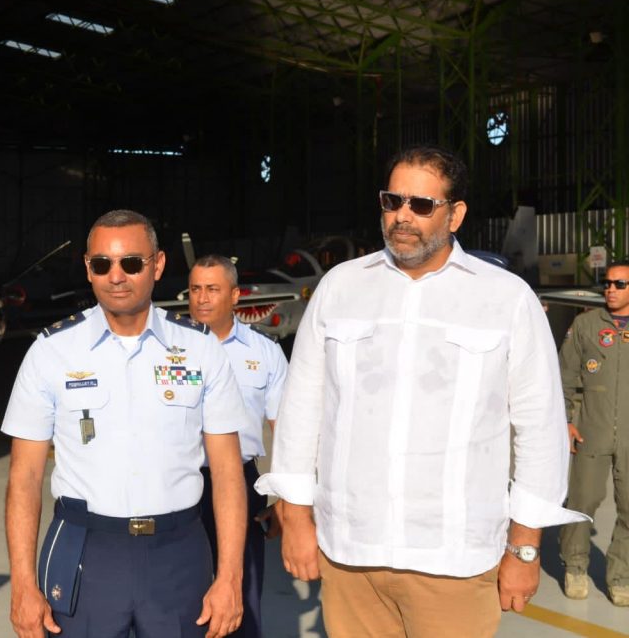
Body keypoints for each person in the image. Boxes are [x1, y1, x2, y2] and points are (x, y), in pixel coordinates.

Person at [256, 145, 588, 637]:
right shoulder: (340, 288)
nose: (402, 217)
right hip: (351, 554)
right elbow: (303, 408)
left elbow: (539, 430)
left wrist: (524, 547)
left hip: (454, 558)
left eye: (421, 205)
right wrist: (297, 518)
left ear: (455, 215)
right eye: (392, 202)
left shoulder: (505, 298)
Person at [3, 209, 250, 638]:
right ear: (88, 268)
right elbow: (24, 476)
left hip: (178, 551)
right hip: (85, 550)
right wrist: (23, 584)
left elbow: (228, 472)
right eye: (102, 264)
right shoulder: (51, 352)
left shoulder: (201, 349)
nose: (116, 276)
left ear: (157, 265)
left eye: (131, 263)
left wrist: (230, 577)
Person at [188, 254, 289, 638]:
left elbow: (287, 429)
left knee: (241, 597)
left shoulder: (264, 353)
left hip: (240, 484)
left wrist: (287, 499)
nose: (201, 298)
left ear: (234, 296)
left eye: (212, 289)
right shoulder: (165, 348)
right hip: (177, 484)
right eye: (195, 289)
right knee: (181, 599)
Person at [558, 260, 629, 606]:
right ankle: (575, 566)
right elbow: (565, 376)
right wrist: (566, 421)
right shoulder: (586, 325)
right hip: (591, 430)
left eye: (619, 284)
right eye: (607, 283)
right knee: (583, 502)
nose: (610, 289)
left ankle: (621, 576)